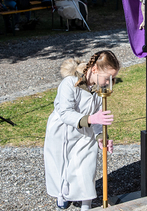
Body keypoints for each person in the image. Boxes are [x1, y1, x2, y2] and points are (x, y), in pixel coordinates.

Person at [44, 50, 120, 210]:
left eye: (112, 79)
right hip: (63, 133)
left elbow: (98, 116)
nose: (110, 82)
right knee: (63, 168)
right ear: (94, 70)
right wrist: (92, 119)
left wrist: (101, 136)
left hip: (86, 135)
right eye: (108, 78)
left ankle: (86, 205)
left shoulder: (99, 91)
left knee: (87, 170)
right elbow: (65, 113)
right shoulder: (69, 84)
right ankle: (62, 196)